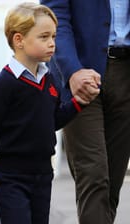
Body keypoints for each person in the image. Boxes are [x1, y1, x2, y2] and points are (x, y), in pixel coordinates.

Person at [0, 3, 98, 224]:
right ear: (19, 40)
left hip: (42, 174)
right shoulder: (3, 85)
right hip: (10, 177)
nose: (52, 43)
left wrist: (79, 102)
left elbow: (52, 121)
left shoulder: (50, 80)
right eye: (44, 37)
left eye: (53, 36)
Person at [40, 0, 130, 223]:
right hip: (81, 73)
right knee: (93, 175)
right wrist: (72, 71)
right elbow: (55, 17)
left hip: (126, 75)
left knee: (112, 180)